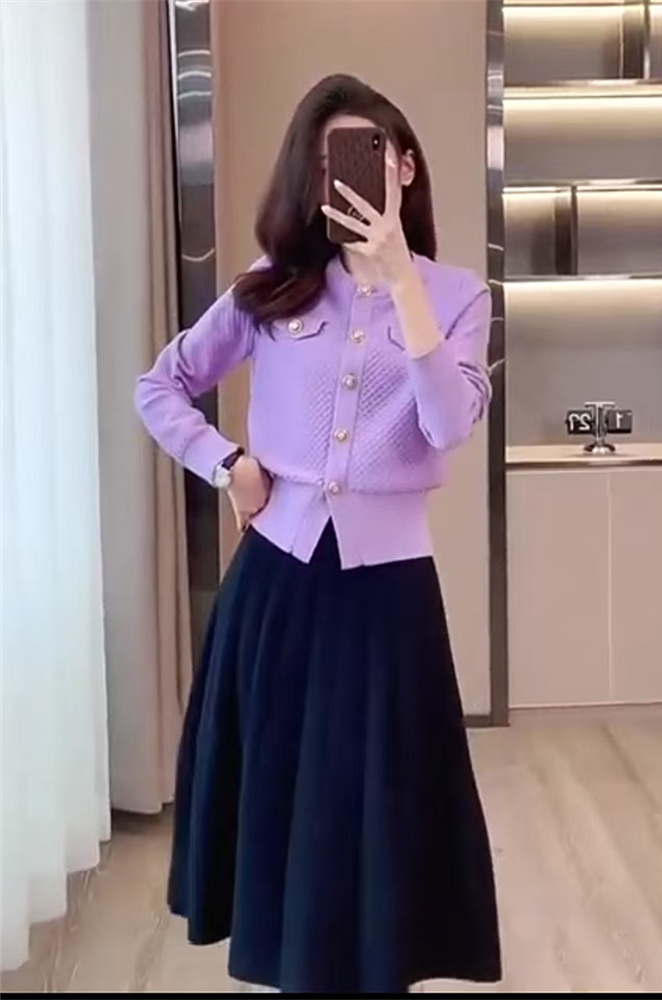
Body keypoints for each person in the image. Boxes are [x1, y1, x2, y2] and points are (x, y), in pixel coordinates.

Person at [135, 73, 501, 995]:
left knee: (371, 805)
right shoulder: (269, 290)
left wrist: (401, 284)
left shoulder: (459, 297)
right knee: (284, 800)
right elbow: (160, 387)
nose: (350, 176)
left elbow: (447, 424)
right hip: (276, 586)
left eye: (370, 154)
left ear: (404, 167)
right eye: (329, 161)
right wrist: (226, 462)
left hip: (388, 598)